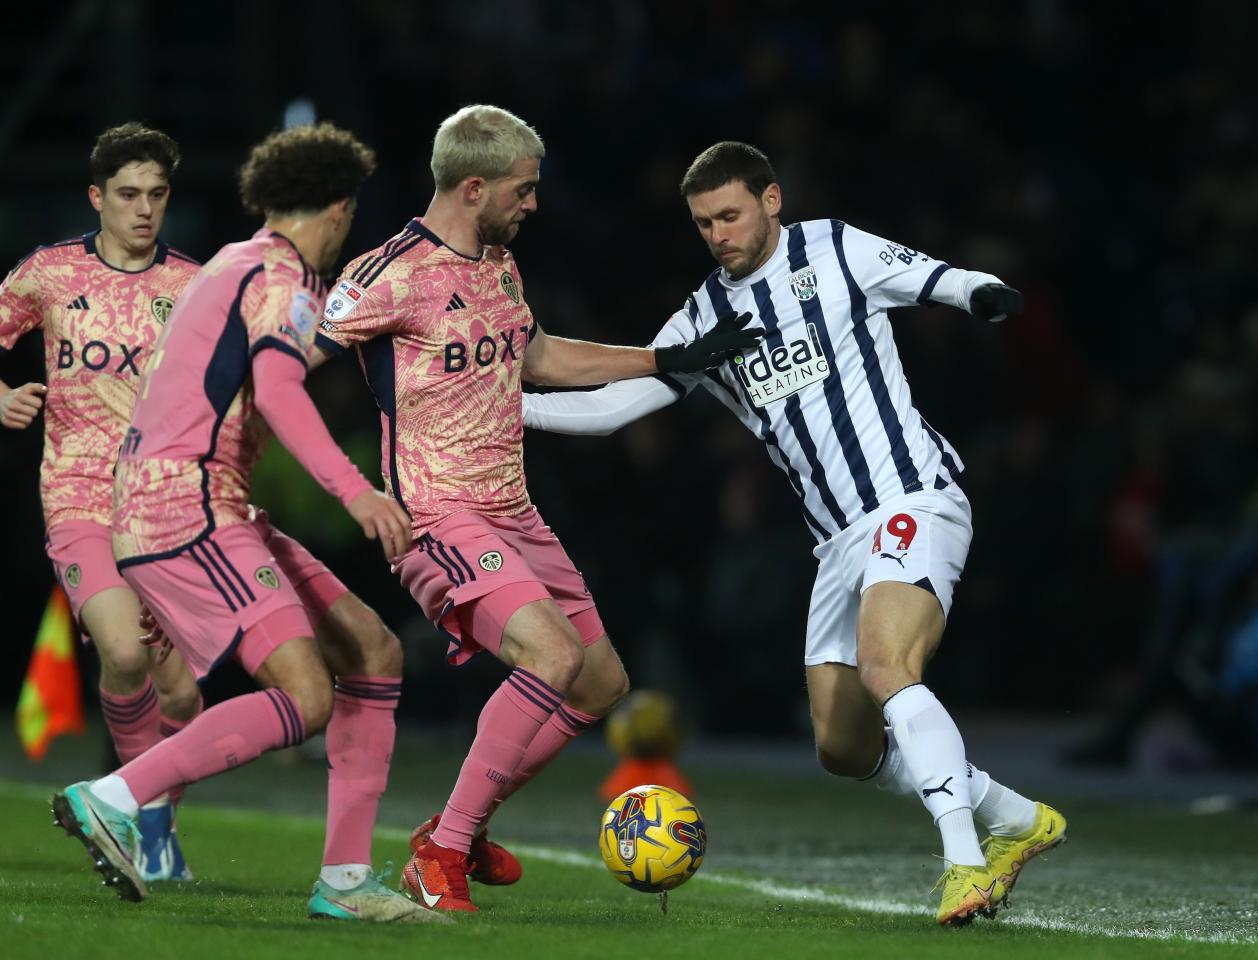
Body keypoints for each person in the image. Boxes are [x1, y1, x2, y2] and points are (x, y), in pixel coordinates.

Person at [521, 141, 1066, 926]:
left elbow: (935, 277)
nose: (718, 234)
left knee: (889, 666)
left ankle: (964, 865)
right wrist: (511, 412)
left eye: (730, 215)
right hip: (836, 543)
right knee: (842, 747)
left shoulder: (835, 248)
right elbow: (613, 408)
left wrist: (985, 293)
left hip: (909, 497)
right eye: (704, 222)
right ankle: (1017, 818)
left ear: (772, 200)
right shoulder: (706, 314)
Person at [314, 105, 760, 913]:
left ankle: (456, 826)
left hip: (512, 511)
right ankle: (445, 851)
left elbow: (543, 358)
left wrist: (668, 359)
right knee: (551, 658)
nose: (534, 204)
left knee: (599, 683)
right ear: (474, 185)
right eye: (523, 190)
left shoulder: (498, 264)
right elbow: (287, 364)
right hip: (436, 515)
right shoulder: (386, 274)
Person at [50, 123, 444, 923]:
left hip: (196, 501)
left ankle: (342, 885)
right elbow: (279, 391)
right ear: (339, 208)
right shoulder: (282, 279)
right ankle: (115, 796)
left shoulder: (231, 260)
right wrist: (356, 491)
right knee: (304, 693)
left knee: (372, 649)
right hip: (186, 505)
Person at [0, 123, 204, 881]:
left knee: (182, 687)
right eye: (127, 195)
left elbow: (239, 388)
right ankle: (128, 810)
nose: (143, 209)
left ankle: (157, 819)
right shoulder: (48, 275)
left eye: (155, 195)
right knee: (122, 652)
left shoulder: (192, 285)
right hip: (78, 494)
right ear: (97, 197)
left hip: (167, 506)